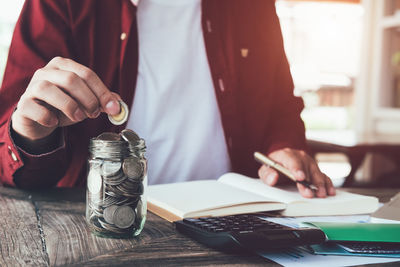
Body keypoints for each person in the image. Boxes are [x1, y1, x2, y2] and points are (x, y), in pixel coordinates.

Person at [0, 0, 335, 198]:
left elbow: (279, 105)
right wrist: (31, 133)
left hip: (234, 222)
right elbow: (12, 155)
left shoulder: (251, 6)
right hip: (97, 227)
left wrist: (285, 148)